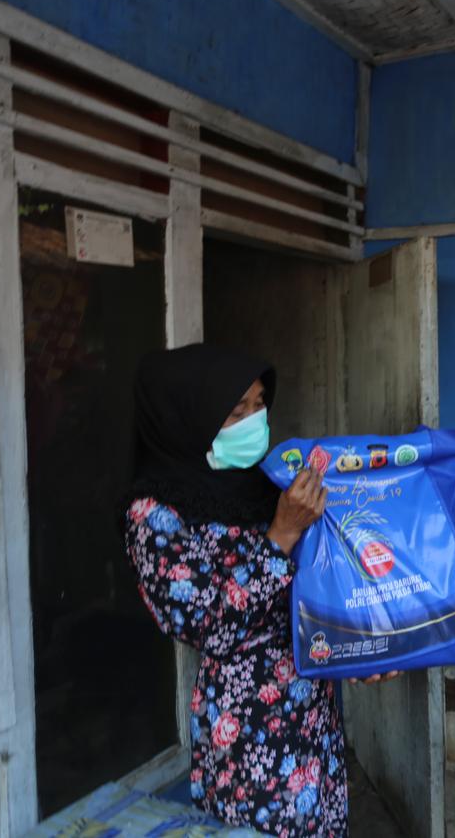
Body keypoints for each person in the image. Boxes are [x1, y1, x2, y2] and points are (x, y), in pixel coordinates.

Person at [125, 345, 393, 836]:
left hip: (314, 713)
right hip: (246, 734)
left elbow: (322, 582)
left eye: (259, 403)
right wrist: (281, 534)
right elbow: (208, 626)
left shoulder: (268, 483)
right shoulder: (156, 516)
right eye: (235, 411)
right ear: (190, 417)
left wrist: (357, 650)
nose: (254, 420)